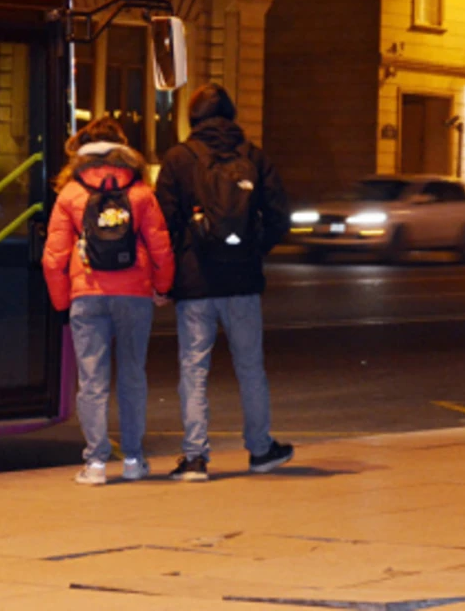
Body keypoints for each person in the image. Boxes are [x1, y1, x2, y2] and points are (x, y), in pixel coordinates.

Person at [155, 83, 293, 481]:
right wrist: (253, 249)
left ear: (192, 119)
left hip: (196, 281)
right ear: (231, 116)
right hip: (243, 281)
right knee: (251, 367)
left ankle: (196, 458)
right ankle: (261, 449)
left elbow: (163, 221)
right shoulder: (253, 156)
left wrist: (174, 268)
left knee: (193, 369)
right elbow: (280, 216)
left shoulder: (180, 158)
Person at [42, 117, 175, 486]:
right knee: (133, 375)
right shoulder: (140, 190)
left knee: (92, 379)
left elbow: (53, 255)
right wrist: (162, 287)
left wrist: (61, 302)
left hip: (87, 294)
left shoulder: (70, 193)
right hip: (134, 294)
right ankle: (133, 459)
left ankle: (96, 463)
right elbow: (160, 246)